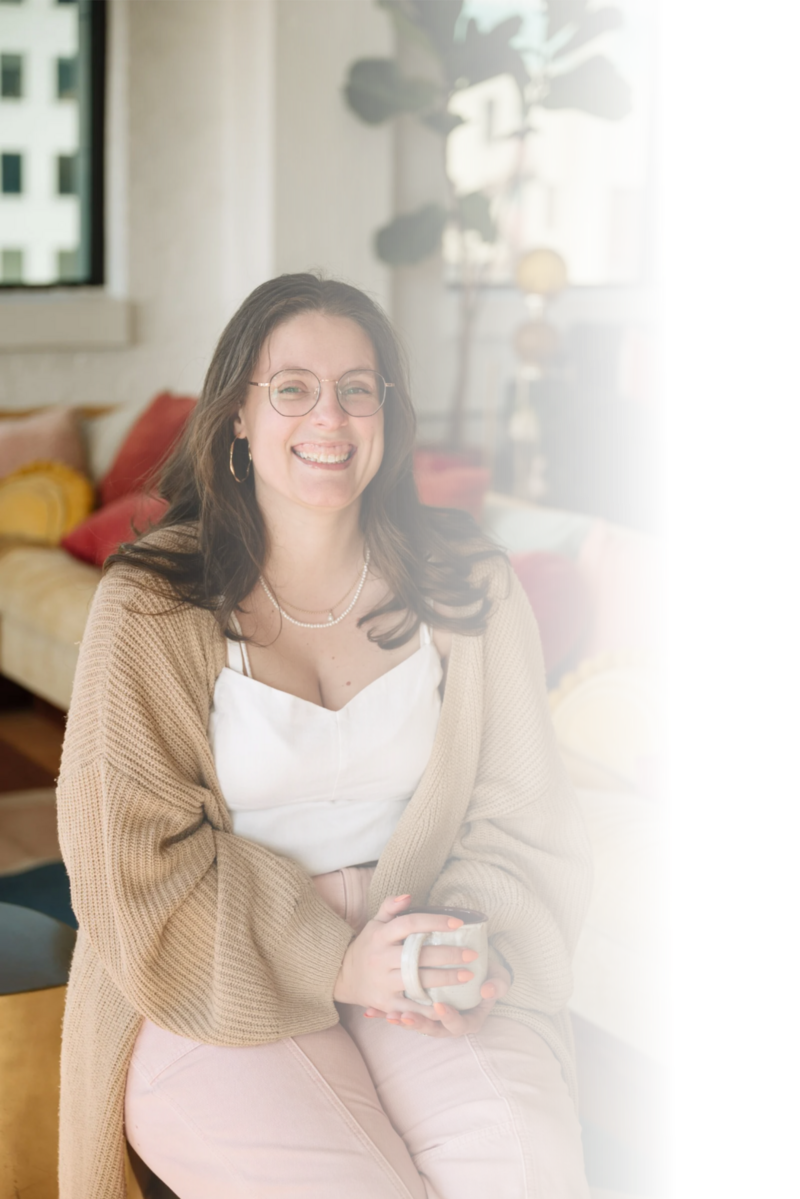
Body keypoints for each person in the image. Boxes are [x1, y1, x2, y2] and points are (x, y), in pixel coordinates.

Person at [56, 273, 595, 1199]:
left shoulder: (473, 588)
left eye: (358, 387)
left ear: (388, 409)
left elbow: (523, 813)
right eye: (293, 388)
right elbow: (127, 857)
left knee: (528, 1179)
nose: (331, 417)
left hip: (420, 946)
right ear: (236, 415)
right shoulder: (150, 604)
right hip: (207, 967)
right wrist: (335, 961)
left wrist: (467, 946)